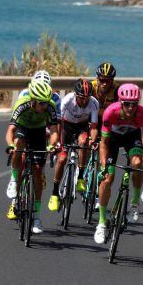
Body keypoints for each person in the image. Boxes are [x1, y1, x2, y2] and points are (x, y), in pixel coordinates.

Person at [94, 83, 143, 244]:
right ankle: (101, 223)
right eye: (127, 104)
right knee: (107, 179)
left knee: (136, 163)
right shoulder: (110, 112)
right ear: (120, 102)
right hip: (112, 140)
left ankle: (134, 204)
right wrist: (103, 166)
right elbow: (104, 143)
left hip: (131, 138)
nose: (130, 108)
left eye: (134, 104)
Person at [5, 80, 60, 234]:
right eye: (41, 103)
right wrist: (11, 145)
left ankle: (36, 216)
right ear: (33, 101)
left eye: (46, 103)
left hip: (38, 132)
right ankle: (14, 180)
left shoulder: (50, 106)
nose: (45, 106)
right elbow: (10, 130)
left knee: (37, 171)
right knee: (19, 146)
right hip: (22, 129)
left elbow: (54, 130)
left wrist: (52, 145)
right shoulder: (22, 105)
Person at [48, 78, 99, 212]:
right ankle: (54, 193)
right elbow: (58, 122)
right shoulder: (67, 100)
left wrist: (93, 141)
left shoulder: (94, 103)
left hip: (82, 126)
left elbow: (93, 127)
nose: (84, 101)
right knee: (63, 158)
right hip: (66, 126)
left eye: (87, 98)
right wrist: (58, 141)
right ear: (76, 95)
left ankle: (81, 177)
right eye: (81, 98)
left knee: (84, 142)